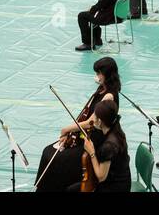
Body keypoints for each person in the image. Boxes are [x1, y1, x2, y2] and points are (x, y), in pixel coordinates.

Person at [35, 56, 120, 192]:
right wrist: (71, 132)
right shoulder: (101, 89)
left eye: (99, 73)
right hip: (84, 135)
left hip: (93, 140)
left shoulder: (109, 96)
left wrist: (66, 129)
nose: (97, 76)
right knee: (48, 151)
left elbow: (91, 122)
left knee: (56, 159)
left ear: (108, 74)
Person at [76, 101, 130, 192]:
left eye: (95, 116)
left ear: (100, 121)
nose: (92, 119)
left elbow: (101, 177)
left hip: (115, 186)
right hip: (123, 178)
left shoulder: (109, 146)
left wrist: (92, 152)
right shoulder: (116, 129)